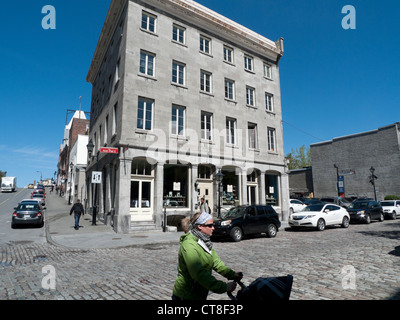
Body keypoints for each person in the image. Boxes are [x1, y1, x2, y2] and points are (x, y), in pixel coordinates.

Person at [172, 211, 242, 300]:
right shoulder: (189, 245)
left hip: (199, 294)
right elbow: (198, 272)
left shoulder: (205, 241)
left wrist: (232, 274)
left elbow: (216, 262)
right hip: (186, 295)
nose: (213, 228)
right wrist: (223, 287)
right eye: (209, 225)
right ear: (200, 226)